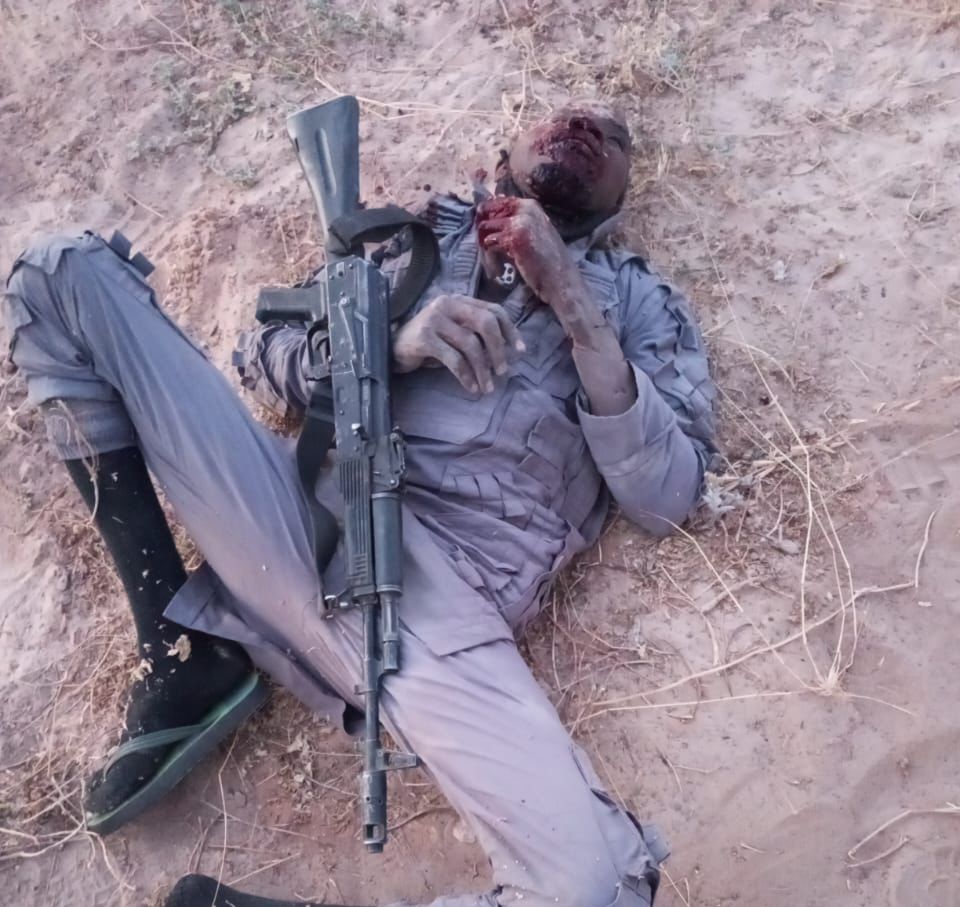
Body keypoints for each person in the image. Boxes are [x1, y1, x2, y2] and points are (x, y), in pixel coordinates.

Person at [3, 98, 715, 907]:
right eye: (565, 116)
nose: (587, 125)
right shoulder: (411, 236)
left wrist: (576, 306)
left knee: (597, 888)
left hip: (441, 606)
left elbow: (666, 494)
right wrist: (388, 344)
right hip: (297, 517)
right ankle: (176, 654)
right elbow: (263, 355)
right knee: (58, 273)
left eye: (613, 136)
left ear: (620, 202)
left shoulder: (639, 304)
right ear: (502, 157)